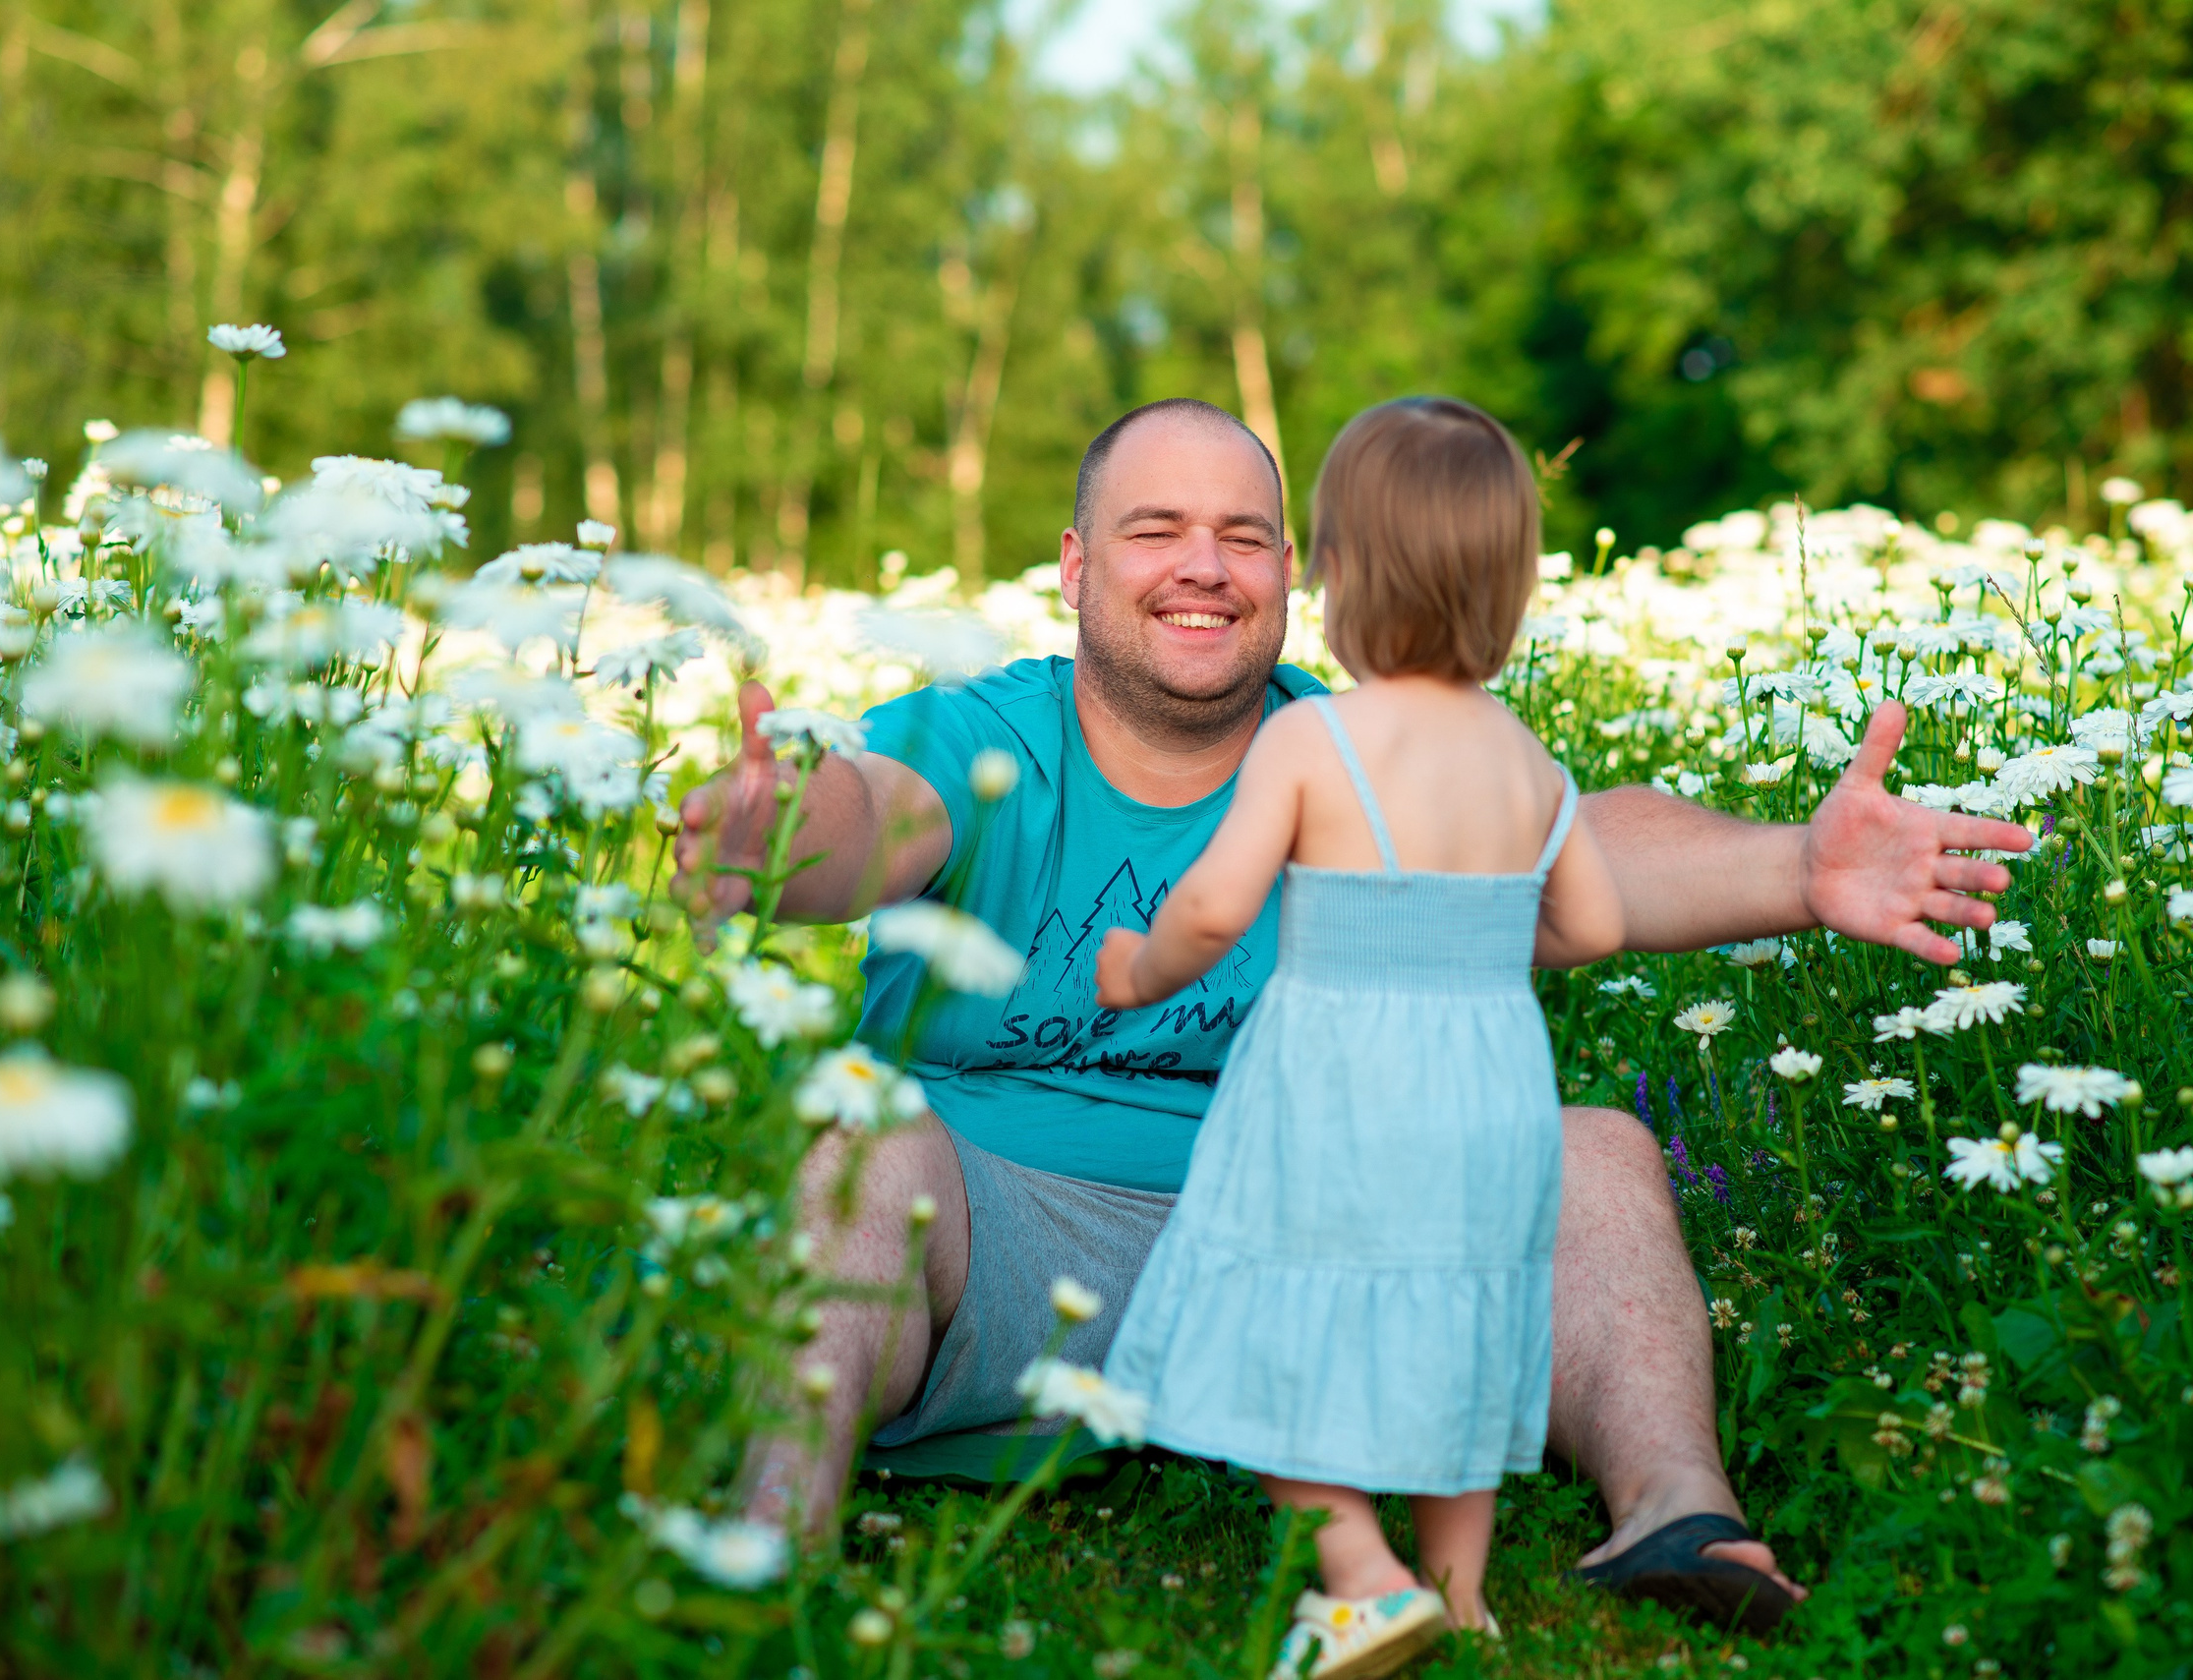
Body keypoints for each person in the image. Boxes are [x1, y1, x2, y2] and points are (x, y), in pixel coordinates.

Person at [677, 396, 2031, 1635]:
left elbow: (1585, 850)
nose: (1204, 565)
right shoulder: (986, 737)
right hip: (1017, 1243)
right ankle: (763, 1552)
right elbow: (870, 819)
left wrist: (1798, 864)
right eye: (1158, 531)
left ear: (1297, 576)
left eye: (1245, 537)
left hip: (1319, 1247)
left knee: (1597, 1150)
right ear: (1080, 569)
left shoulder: (1356, 737)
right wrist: (774, 835)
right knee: (863, 1147)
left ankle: (1679, 1512)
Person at [1093, 397, 1626, 1675]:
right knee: (1466, 1309)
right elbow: (1595, 925)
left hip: (1341, 1083)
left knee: (1276, 1308)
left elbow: (1217, 905)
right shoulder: (1527, 759)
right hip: (1491, 1081)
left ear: (1338, 570)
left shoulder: (1312, 736)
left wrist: (1134, 967)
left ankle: (1361, 1569)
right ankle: (1466, 1589)